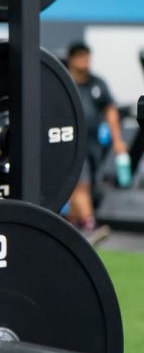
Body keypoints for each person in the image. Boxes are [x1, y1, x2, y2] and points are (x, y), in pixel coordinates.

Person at [65, 41, 128, 235]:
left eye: (88, 56)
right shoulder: (64, 82)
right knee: (80, 182)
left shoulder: (97, 84)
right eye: (81, 57)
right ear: (72, 59)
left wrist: (118, 140)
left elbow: (110, 110)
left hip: (93, 143)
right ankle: (89, 224)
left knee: (86, 184)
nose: (86, 61)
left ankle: (73, 224)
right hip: (70, 141)